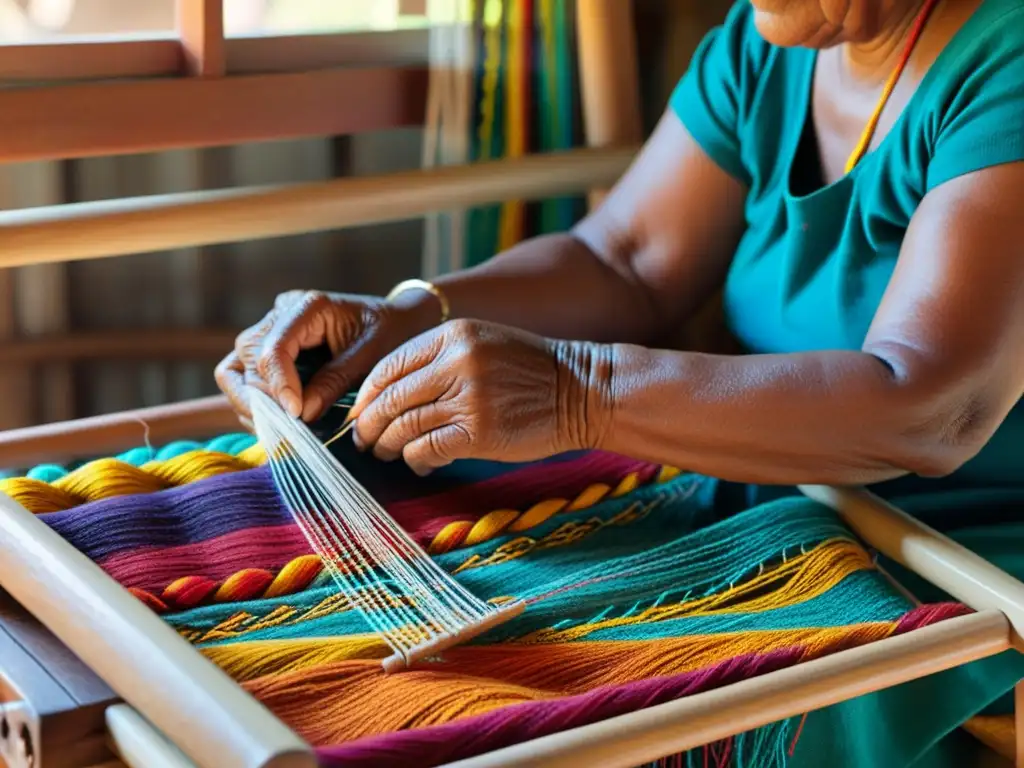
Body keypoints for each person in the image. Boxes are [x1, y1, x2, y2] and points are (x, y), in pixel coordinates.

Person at [217, 0, 1024, 764]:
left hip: (951, 557)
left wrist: (578, 390)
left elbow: (934, 407)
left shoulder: (1005, 59)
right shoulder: (768, 40)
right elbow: (623, 260)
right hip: (774, 498)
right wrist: (401, 315)